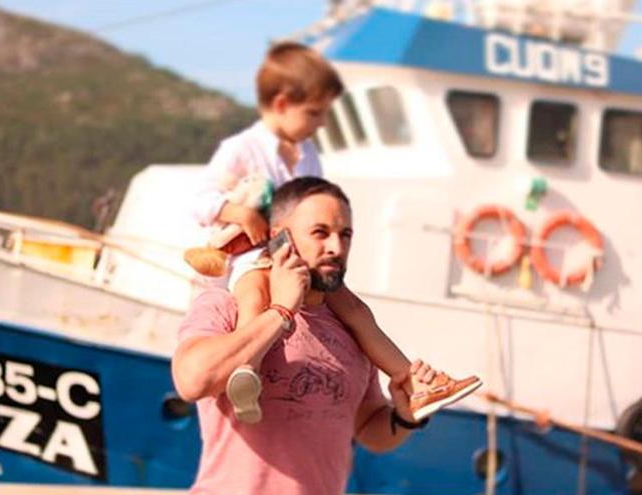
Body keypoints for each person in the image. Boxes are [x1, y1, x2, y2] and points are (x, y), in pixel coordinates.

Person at [186, 41, 480, 425]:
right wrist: (239, 212)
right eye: (314, 113)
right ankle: (246, 372)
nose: (321, 124)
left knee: (356, 311)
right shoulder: (242, 149)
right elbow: (200, 201)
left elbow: (312, 200)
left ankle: (412, 383)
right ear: (281, 104)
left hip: (296, 255)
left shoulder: (307, 151)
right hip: (254, 254)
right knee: (253, 297)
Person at [173, 177, 455, 494]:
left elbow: (368, 430)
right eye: (320, 233)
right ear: (280, 238)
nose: (336, 248)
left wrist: (406, 417)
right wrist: (280, 311)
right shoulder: (226, 306)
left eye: (345, 235)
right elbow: (192, 381)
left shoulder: (356, 333)